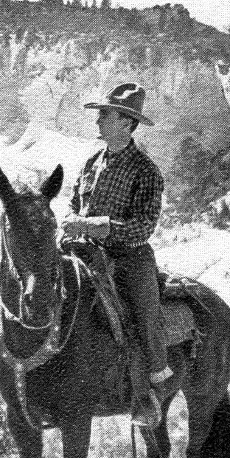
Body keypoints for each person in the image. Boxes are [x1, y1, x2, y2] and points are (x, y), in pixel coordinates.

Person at [61, 82, 173, 428]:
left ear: (126, 122)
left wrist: (93, 226)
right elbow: (74, 204)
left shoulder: (145, 171)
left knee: (143, 313)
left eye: (105, 115)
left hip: (128, 258)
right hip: (85, 253)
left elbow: (142, 228)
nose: (97, 121)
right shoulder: (91, 162)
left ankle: (151, 388)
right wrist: (71, 223)